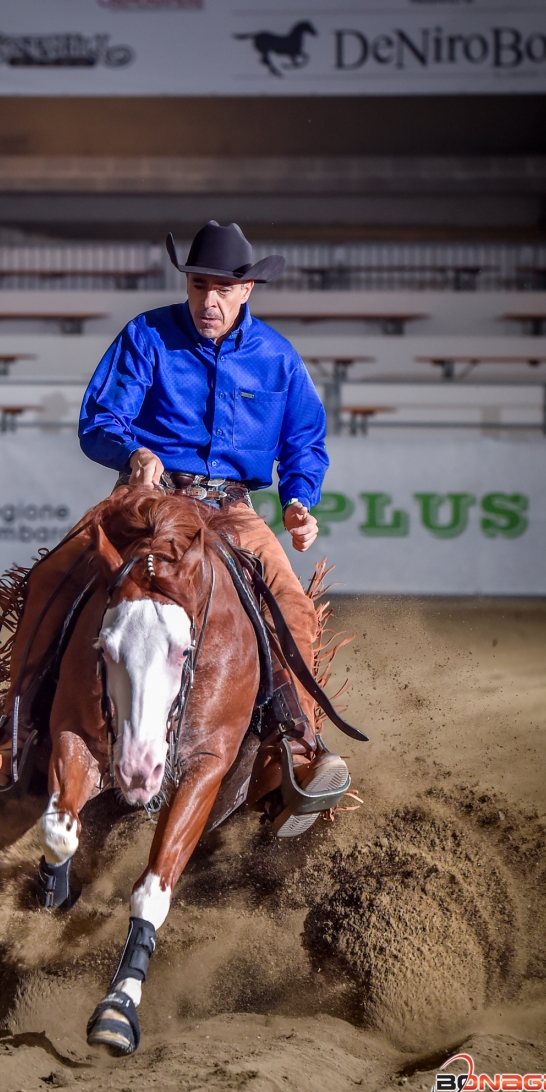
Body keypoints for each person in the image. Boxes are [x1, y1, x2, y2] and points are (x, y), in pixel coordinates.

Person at [77, 220, 350, 835]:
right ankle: (14, 732)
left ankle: (294, 754)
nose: (210, 301)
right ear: (188, 284)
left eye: (224, 289)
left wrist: (299, 501)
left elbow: (305, 442)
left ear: (248, 290)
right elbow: (98, 420)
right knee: (61, 575)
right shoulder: (146, 336)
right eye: (200, 287)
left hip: (233, 509)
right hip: (151, 498)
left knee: (293, 609)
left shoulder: (277, 358)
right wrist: (131, 455)